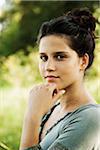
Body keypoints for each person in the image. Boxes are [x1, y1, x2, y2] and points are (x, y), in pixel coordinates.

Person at [19, 8, 100, 150]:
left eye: (60, 56)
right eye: (44, 58)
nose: (48, 67)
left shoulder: (90, 118)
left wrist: (32, 117)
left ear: (83, 61)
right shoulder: (53, 109)